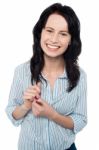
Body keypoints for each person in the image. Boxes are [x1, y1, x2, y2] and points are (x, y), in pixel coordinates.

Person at [6, 3, 87, 150]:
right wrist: (25, 106)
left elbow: (80, 120)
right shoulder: (21, 71)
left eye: (63, 34)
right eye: (49, 31)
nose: (54, 39)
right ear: (40, 33)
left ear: (70, 40)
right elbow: (12, 114)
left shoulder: (80, 76)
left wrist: (53, 115)